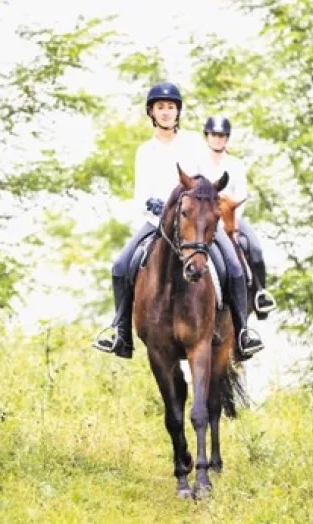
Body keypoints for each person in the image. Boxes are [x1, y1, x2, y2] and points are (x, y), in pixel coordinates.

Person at [92, 83, 264, 360]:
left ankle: (243, 333)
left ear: (177, 112)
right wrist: (154, 206)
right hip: (157, 222)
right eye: (160, 107)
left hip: (194, 223)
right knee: (120, 265)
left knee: (233, 266)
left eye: (170, 107)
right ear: (151, 112)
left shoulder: (194, 145)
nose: (166, 112)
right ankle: (121, 332)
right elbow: (140, 194)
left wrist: (197, 207)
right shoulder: (144, 152)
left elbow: (206, 183)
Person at [201, 115, 277, 317]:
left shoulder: (236, 164)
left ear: (227, 138)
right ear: (207, 136)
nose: (218, 139)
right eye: (214, 135)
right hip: (206, 219)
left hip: (231, 216)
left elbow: (242, 194)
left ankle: (260, 294)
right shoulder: (198, 163)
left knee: (255, 249)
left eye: (222, 136)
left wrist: (232, 222)